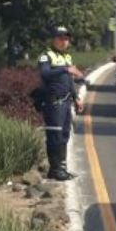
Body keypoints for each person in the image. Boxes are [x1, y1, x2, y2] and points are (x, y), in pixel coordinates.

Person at [38, 26, 84, 181]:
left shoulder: (68, 58)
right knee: (55, 136)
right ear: (54, 39)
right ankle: (55, 169)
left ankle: (62, 169)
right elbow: (45, 74)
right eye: (61, 38)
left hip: (66, 102)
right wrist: (64, 69)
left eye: (66, 38)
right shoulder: (46, 56)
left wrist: (76, 97)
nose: (64, 41)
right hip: (54, 102)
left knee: (64, 134)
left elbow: (70, 81)